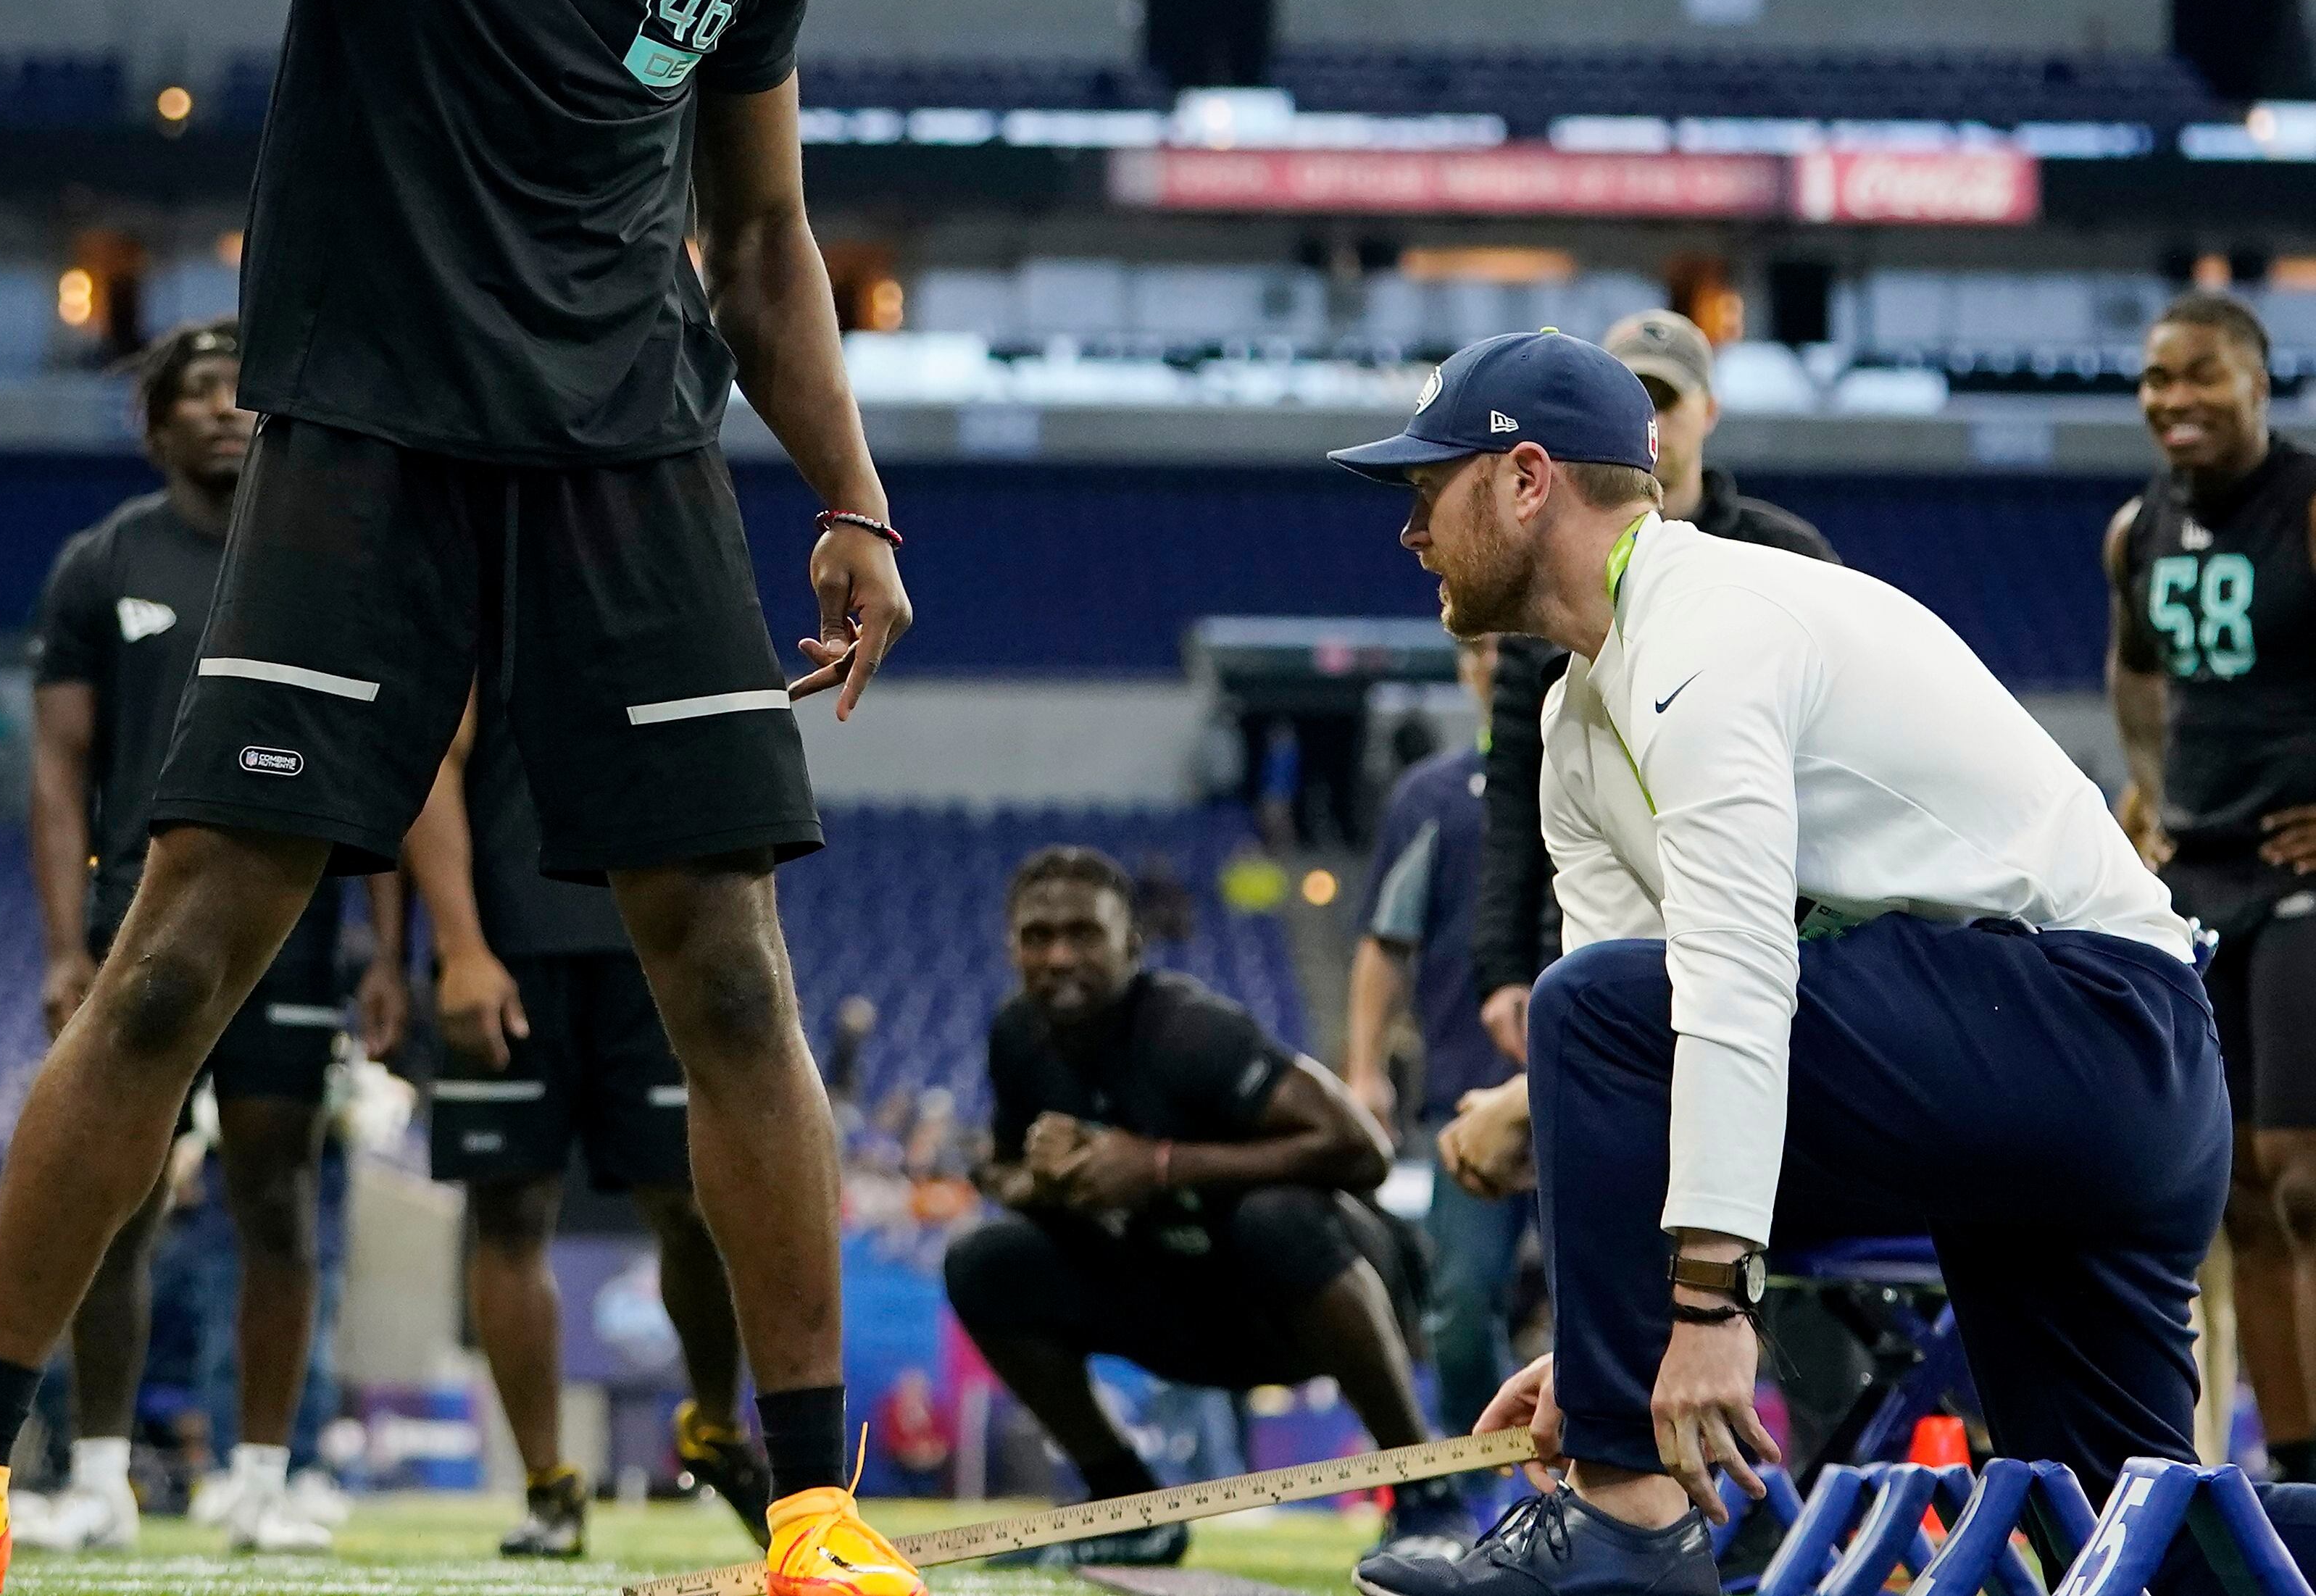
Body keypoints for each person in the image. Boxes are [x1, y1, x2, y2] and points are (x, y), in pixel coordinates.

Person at [0, 0, 921, 1596]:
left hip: (626, 456)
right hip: (368, 450)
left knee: (730, 975)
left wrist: (851, 494)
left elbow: (760, 235)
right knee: (178, 961)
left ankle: (812, 1511)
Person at [1328, 330, 2225, 1596]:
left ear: (1527, 478)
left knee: (1599, 1014)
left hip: (2093, 1025)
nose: (1412, 530)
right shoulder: (1574, 715)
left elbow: (1725, 983)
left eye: (1430, 488)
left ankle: (1631, 1530)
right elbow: (1629, 1093)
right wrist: (1609, 1353)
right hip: (2045, 1082)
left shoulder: (1711, 629)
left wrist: (1697, 1311)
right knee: (2136, 1542)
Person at [15, 320, 404, 1558]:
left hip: (295, 919)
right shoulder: (99, 561)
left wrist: (389, 950)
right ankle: (98, 1475)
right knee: (117, 1199)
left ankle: (261, 1474)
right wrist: (64, 941)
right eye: (197, 391)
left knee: (278, 1198)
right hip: (135, 917)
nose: (228, 408)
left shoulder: (319, 561)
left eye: (244, 388)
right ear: (155, 421)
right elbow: (57, 769)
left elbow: (386, 759)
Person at [942, 846, 1470, 1570]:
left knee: (1274, 1217)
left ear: (1129, 943)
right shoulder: (1017, 1035)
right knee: (981, 1261)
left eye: (1081, 933)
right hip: (1171, 1301)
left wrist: (1155, 1165)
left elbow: (1361, 1148)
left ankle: (1424, 1495)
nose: (1058, 954)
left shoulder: (1188, 1029)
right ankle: (1125, 1507)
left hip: (1295, 1290)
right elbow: (1002, 1169)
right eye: (1037, 935)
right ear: (1011, 946)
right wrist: (1040, 1180)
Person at [404, 701, 775, 1559]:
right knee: (505, 1212)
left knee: (692, 1205)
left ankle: (716, 1429)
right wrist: (457, 946)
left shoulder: (651, 588)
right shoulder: (483, 590)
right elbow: (430, 761)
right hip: (507, 948)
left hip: (655, 942)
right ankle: (549, 1487)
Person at [1472, 311, 1833, 1069]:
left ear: (1708, 410)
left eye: (1665, 400)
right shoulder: (1545, 584)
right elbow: (1512, 790)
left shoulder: (1787, 558)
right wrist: (1502, 967)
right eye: (1632, 398)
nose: (1653, 423)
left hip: (1769, 936)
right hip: (1594, 931)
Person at [2108, 288, 2316, 1483]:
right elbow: (2134, 675)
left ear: (2257, 381)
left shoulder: (2306, 503)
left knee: (2305, 1172)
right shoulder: (2139, 528)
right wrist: (2152, 793)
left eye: (2199, 374)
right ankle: (2294, 1478)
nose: (2172, 398)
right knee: (2232, 1190)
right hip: (2201, 873)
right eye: (2154, 378)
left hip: (2300, 877)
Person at [1347, 641, 1527, 1439]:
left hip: (1594, 1091)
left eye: (1512, 645)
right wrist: (1363, 1067)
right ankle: (1482, 1480)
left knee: (1608, 1300)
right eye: (1481, 647)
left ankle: (1606, 1494)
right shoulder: (1431, 795)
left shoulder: (1597, 772)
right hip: (1465, 1094)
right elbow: (1385, 938)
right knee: (1457, 1301)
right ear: (1462, 666)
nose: (1494, 661)